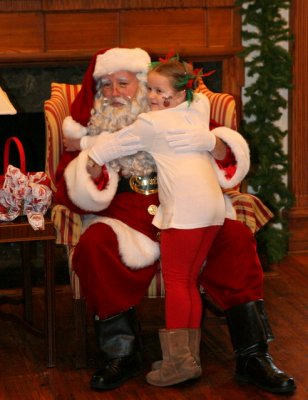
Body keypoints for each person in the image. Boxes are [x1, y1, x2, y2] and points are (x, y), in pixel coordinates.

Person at [55, 47, 295, 394]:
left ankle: (253, 355)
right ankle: (121, 353)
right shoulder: (93, 127)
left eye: (124, 83)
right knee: (95, 246)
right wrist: (89, 164)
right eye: (105, 86)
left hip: (189, 210)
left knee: (236, 240)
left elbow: (226, 157)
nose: (114, 93)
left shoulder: (179, 114)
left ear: (148, 86)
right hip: (125, 214)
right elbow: (73, 183)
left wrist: (213, 142)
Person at [84, 56, 229, 386]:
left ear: (179, 95)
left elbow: (116, 143)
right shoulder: (198, 108)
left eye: (158, 90)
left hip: (185, 211)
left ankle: (178, 364)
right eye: (148, 87)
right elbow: (202, 97)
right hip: (212, 209)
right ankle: (188, 357)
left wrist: (92, 158)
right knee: (190, 282)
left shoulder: (151, 124)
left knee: (177, 282)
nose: (150, 95)